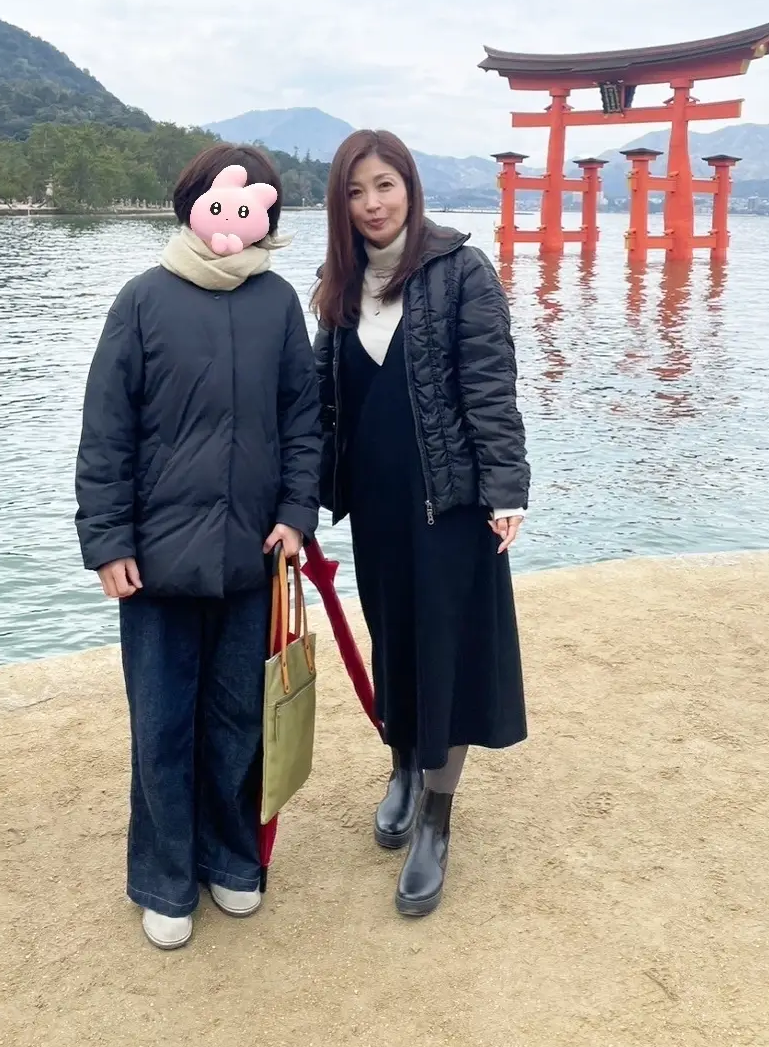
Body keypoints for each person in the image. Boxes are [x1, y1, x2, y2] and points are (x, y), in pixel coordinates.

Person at [75, 144, 320, 951]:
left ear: (265, 218)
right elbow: (106, 431)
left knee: (239, 717)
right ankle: (165, 879)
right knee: (163, 725)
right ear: (192, 205)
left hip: (253, 555)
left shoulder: (277, 301)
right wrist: (107, 540)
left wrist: (296, 513)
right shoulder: (143, 298)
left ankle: (231, 859)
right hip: (155, 562)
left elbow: (303, 419)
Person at [313, 129, 528, 918]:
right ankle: (402, 765)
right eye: (355, 191)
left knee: (446, 652)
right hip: (375, 505)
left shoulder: (461, 271)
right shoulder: (339, 284)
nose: (372, 204)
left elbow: (491, 387)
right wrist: (300, 499)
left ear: (410, 186)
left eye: (384, 186)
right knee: (394, 639)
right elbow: (321, 402)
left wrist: (507, 490)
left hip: (450, 504)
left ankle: (436, 817)